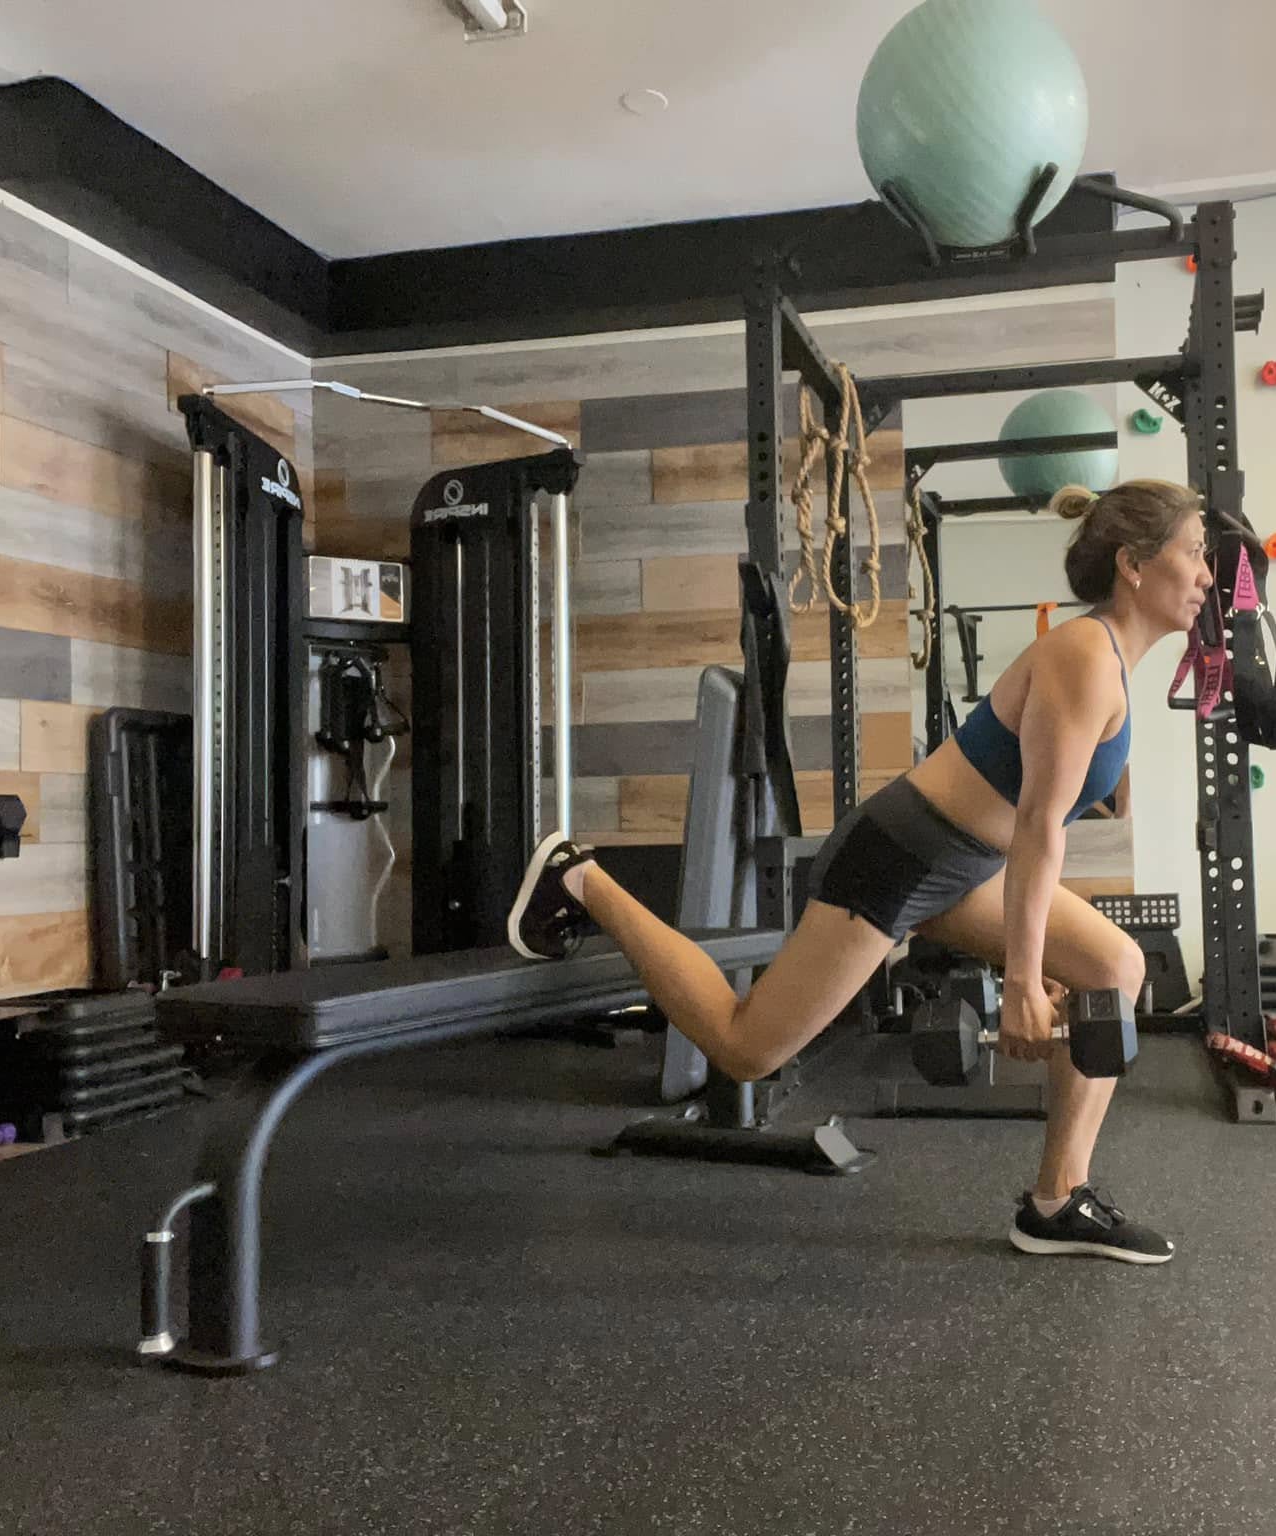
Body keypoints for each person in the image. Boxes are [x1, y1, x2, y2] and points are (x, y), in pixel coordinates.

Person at [509, 479, 1212, 1263]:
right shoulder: (1084, 656)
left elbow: (1053, 818)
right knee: (747, 1050)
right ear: (1134, 566)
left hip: (965, 863)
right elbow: (1041, 829)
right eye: (1195, 554)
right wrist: (1020, 978)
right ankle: (580, 876)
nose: (1208, 576)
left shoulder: (1114, 663)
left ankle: (1055, 1202)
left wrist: (1041, 954)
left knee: (1112, 963)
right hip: (902, 857)